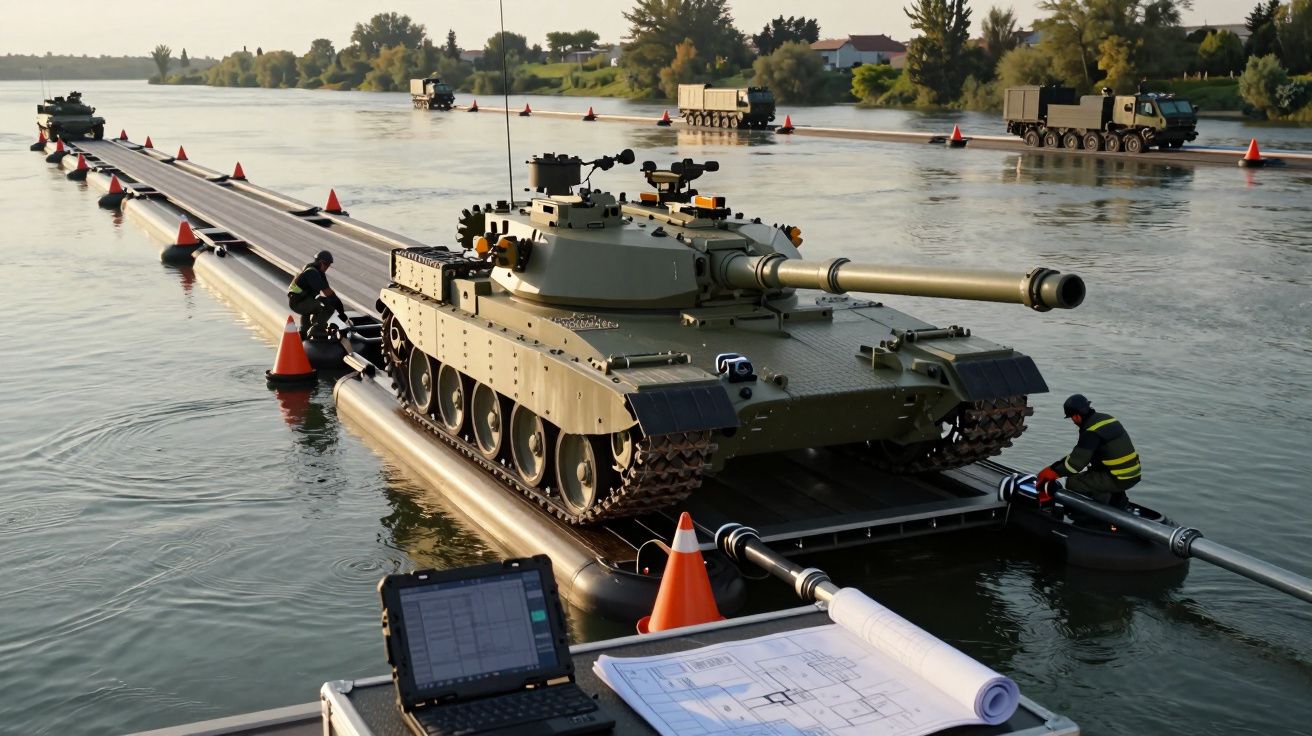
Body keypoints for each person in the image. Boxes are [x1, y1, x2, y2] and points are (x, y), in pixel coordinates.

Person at [1036, 394, 1142, 509]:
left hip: (1118, 478)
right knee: (1092, 476)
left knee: (1071, 483)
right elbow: (1081, 455)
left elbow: (1074, 465)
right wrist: (1057, 466)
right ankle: (1118, 502)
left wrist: (1052, 472)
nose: (1073, 421)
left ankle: (1090, 516)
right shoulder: (1107, 418)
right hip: (1132, 474)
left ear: (1076, 416)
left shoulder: (1091, 431)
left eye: (1071, 417)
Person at [287, 250, 345, 339]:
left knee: (315, 304)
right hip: (298, 303)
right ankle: (317, 330)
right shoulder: (312, 273)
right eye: (326, 265)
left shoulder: (314, 270)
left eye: (328, 265)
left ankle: (303, 333)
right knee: (328, 307)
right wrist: (341, 312)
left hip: (300, 300)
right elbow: (329, 294)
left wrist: (341, 311)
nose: (327, 268)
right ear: (321, 262)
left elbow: (328, 292)